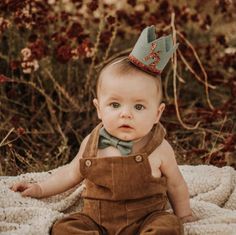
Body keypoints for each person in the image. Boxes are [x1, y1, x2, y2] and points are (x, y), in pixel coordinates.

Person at [10, 26, 196, 234]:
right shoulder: (92, 142)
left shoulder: (160, 148)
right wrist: (40, 189)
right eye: (115, 105)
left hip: (147, 220)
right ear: (99, 109)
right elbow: (71, 173)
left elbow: (176, 185)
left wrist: (184, 215)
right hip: (96, 220)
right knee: (65, 227)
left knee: (168, 226)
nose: (126, 114)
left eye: (139, 106)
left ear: (157, 114)